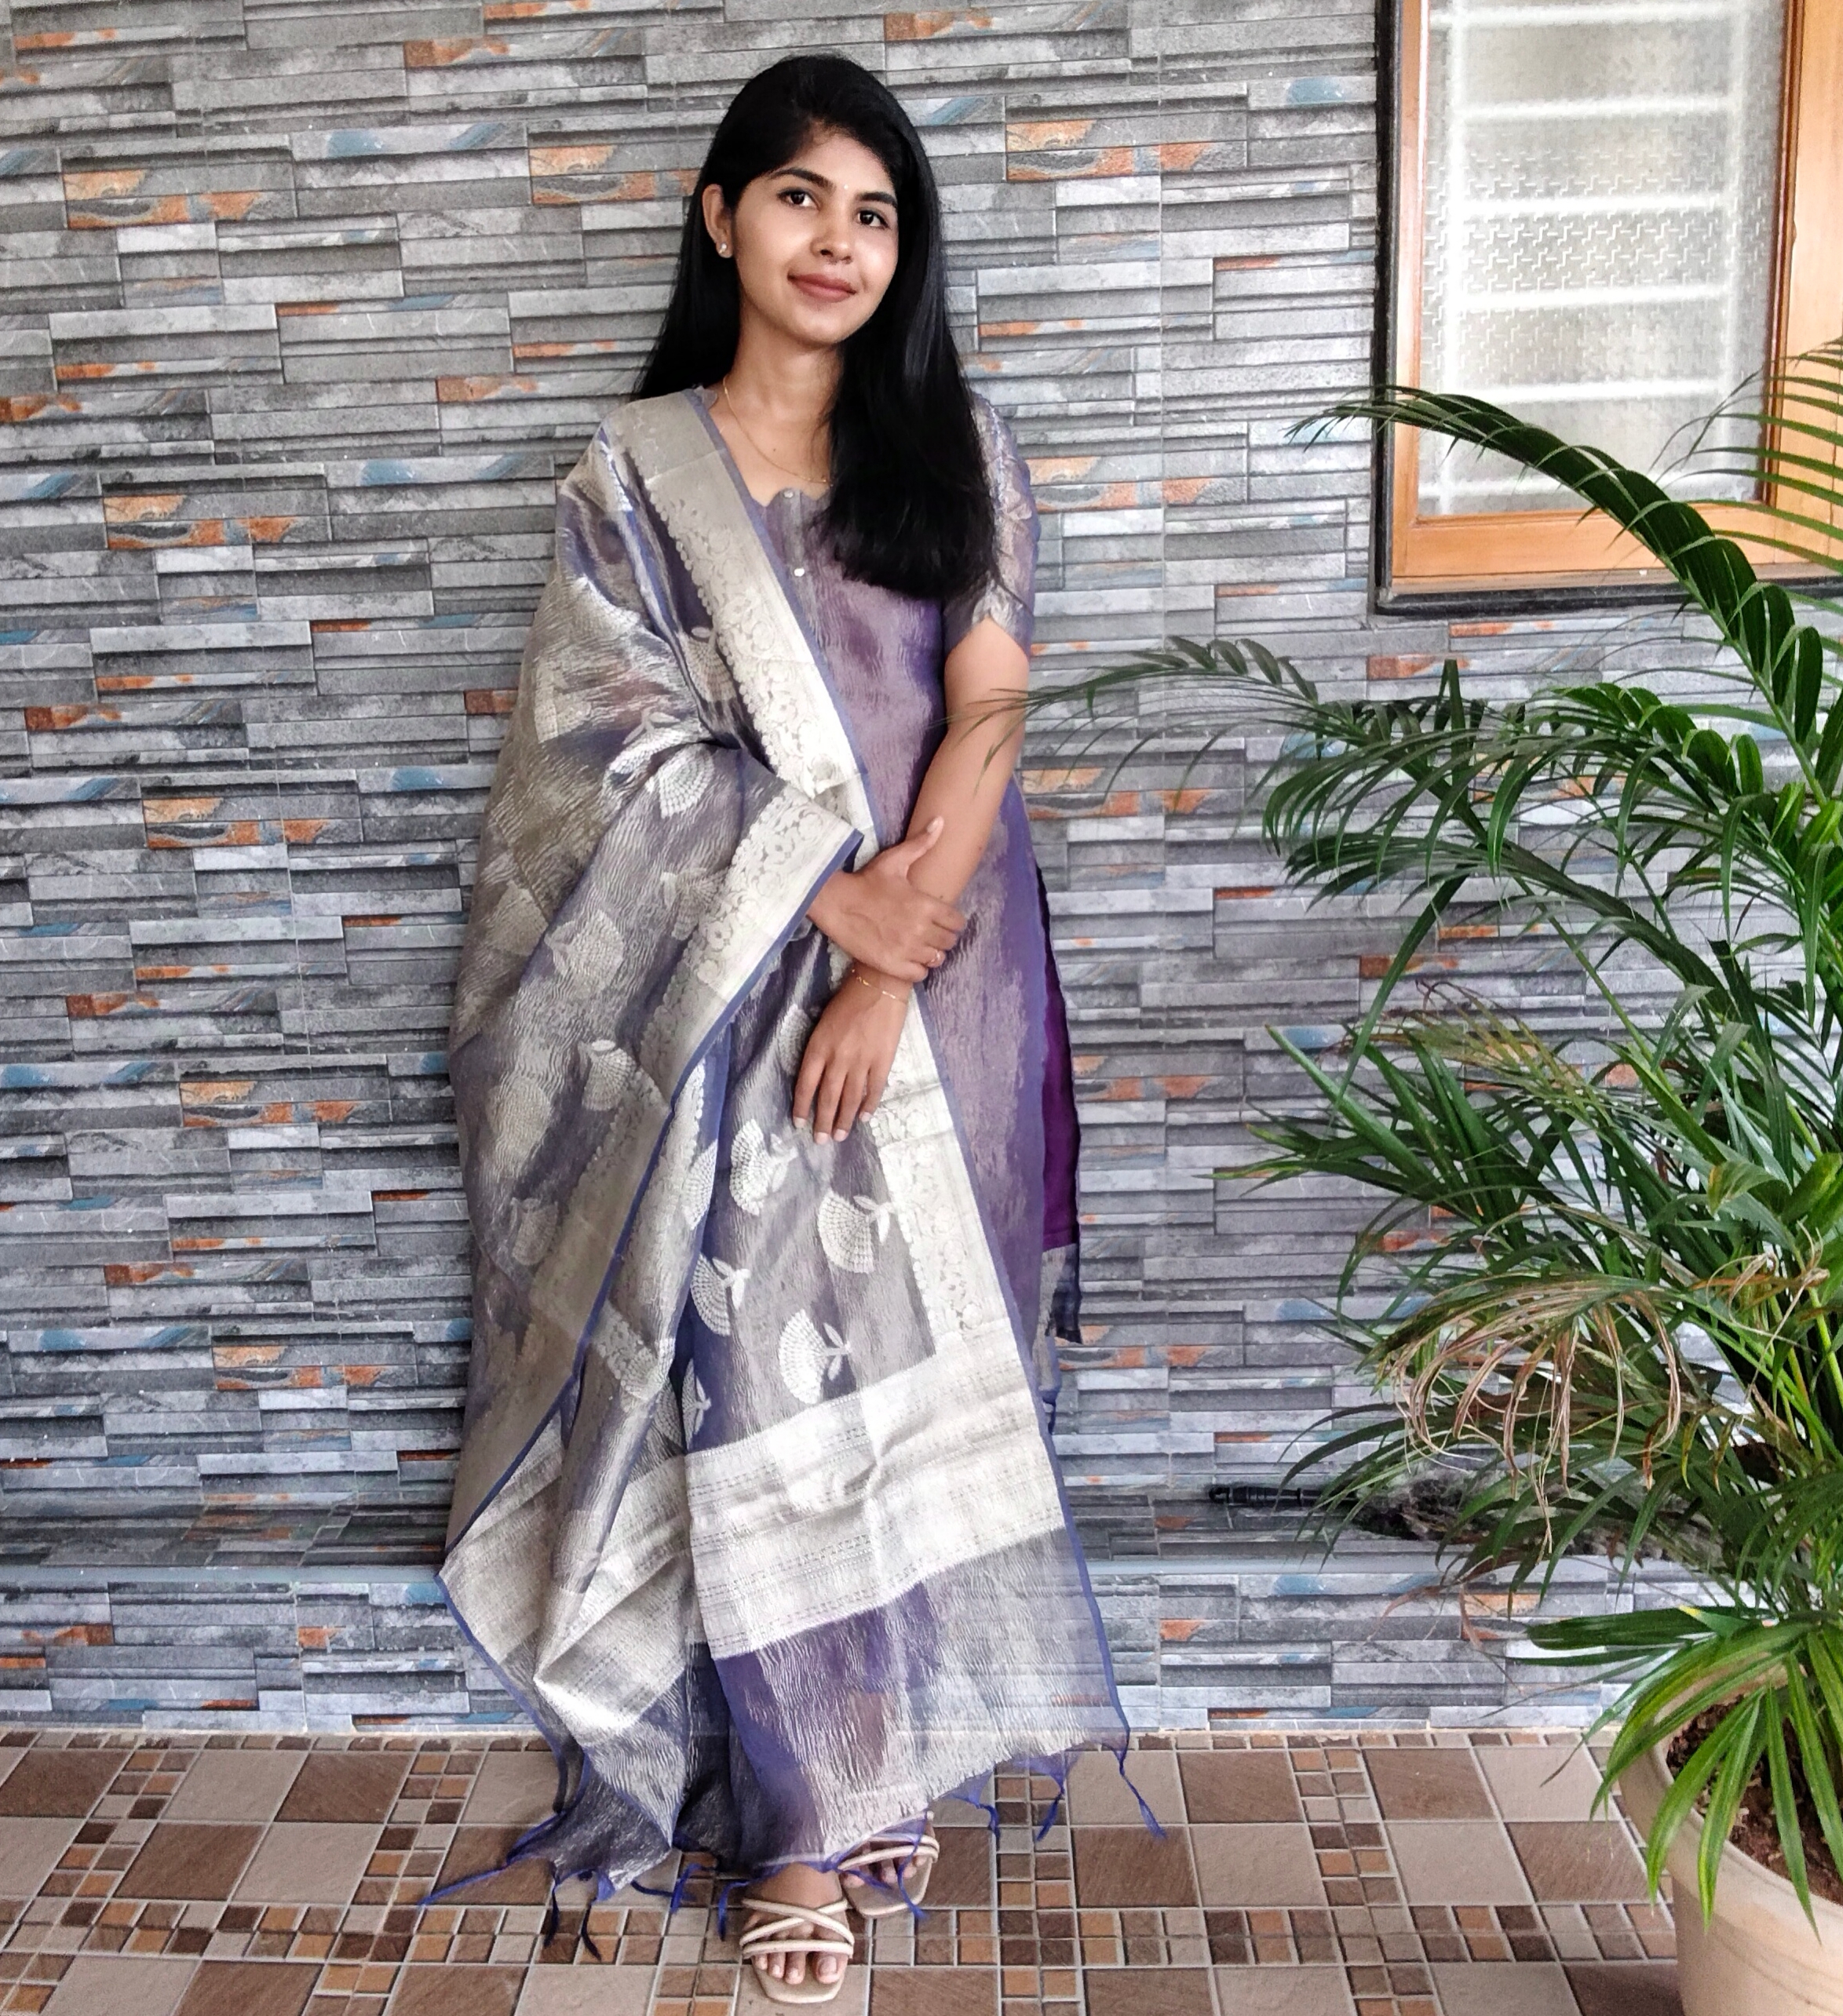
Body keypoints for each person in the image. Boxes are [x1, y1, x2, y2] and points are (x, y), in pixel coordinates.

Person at [439, 52, 1126, 2004]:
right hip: (728, 997)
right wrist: (824, 907)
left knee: (914, 1379)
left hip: (953, 978)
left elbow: (988, 706)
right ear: (719, 217)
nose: (839, 241)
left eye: (875, 212)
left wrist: (894, 961)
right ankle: (800, 1829)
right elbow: (599, 762)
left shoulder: (955, 448)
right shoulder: (634, 477)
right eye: (802, 197)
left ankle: (873, 1756)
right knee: (758, 1390)